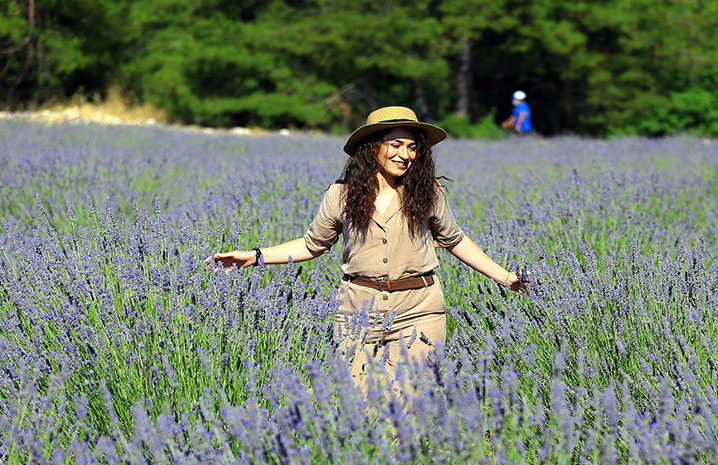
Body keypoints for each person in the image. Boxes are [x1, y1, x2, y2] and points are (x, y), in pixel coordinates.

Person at [209, 105, 526, 402]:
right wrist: (254, 256)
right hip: (358, 313)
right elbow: (311, 245)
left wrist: (507, 278)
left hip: (419, 310)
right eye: (396, 145)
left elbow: (455, 240)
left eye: (412, 147)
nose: (405, 155)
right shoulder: (341, 194)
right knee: (365, 411)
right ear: (372, 146)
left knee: (407, 406)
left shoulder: (428, 193)